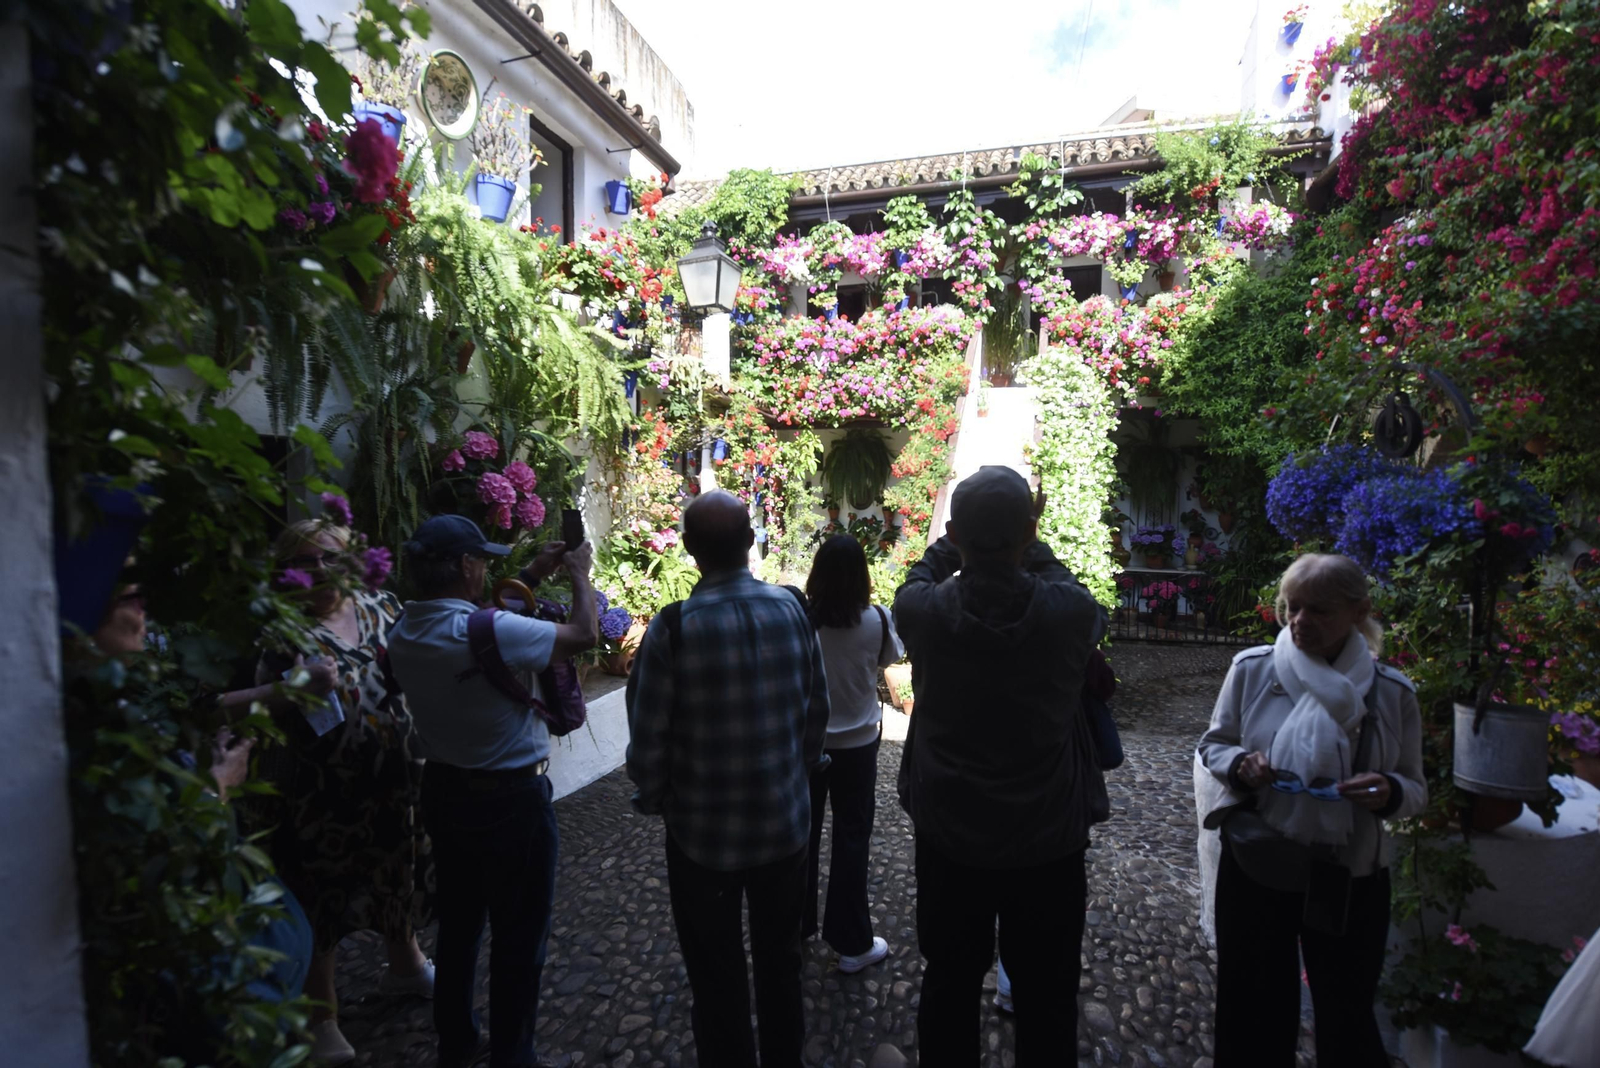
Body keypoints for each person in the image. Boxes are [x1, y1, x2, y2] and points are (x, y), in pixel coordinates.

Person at [893, 466, 1105, 1067]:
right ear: (1029, 533)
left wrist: (949, 543)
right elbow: (1068, 587)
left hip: (951, 832)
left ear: (956, 534)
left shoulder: (925, 614)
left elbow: (915, 581)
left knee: (950, 982)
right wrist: (1027, 540)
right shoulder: (1067, 615)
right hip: (1047, 837)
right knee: (1047, 994)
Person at [625, 491, 830, 1068]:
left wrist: (658, 797)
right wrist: (799, 771)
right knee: (781, 964)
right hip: (785, 829)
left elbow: (646, 747)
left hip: (701, 840)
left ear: (689, 550)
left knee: (716, 976)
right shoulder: (792, 609)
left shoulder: (673, 628)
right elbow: (818, 715)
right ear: (751, 541)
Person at [1198, 553, 1426, 1067]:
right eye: (1292, 607)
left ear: (1359, 611)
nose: (1300, 622)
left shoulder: (1390, 693)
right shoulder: (1253, 670)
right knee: (1251, 1009)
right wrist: (1241, 766)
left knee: (1345, 1012)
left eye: (1319, 611)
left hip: (1349, 873)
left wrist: (1387, 790)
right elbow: (1215, 745)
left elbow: (1416, 788)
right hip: (1260, 864)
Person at [386, 514, 597, 1068]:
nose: (485, 568)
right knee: (519, 936)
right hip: (511, 804)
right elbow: (582, 636)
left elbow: (483, 622)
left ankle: (456, 1041)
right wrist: (579, 575)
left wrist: (533, 571)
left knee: (458, 927)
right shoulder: (490, 632)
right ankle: (513, 1055)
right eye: (481, 559)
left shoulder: (404, 630)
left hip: (446, 790)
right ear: (465, 566)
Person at [256, 520, 434, 1066]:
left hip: (397, 779)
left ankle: (404, 965)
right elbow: (240, 707)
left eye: (333, 558)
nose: (322, 571)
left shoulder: (381, 605)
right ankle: (320, 1014)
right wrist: (290, 689)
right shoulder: (276, 628)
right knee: (322, 896)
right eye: (307, 561)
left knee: (398, 871)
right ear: (285, 567)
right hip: (322, 791)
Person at [802, 534, 903, 973]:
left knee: (801, 837)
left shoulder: (802, 620)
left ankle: (795, 926)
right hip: (858, 745)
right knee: (851, 838)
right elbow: (890, 658)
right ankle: (850, 942)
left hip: (807, 744)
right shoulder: (877, 619)